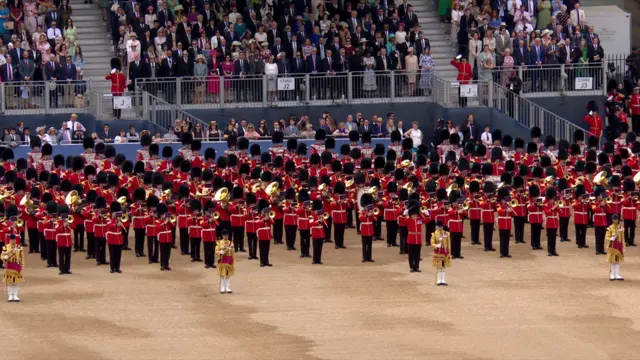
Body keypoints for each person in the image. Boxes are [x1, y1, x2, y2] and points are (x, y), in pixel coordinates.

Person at [2, 231, 24, 302]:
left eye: (14, 239)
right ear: (9, 240)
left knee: (16, 282)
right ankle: (10, 295)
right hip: (9, 265)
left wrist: (22, 265)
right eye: (11, 239)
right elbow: (2, 256)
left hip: (16, 265)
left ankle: (15, 295)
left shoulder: (19, 247)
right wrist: (4, 257)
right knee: (9, 281)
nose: (13, 241)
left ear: (15, 239)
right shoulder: (5, 247)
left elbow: (22, 257)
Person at [432, 220, 451, 286]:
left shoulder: (446, 233)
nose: (440, 228)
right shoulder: (434, 234)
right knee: (439, 266)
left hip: (444, 252)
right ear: (436, 227)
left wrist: (448, 252)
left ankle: (443, 279)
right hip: (438, 252)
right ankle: (438, 280)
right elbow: (432, 243)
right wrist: (436, 245)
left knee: (443, 266)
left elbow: (448, 243)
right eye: (439, 226)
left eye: (441, 226)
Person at [606, 215, 625, 281]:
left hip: (618, 246)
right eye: (614, 219)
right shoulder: (610, 228)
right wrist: (611, 238)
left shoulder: (621, 228)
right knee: (612, 261)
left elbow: (623, 238)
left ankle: (617, 274)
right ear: (612, 220)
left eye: (616, 219)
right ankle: (612, 274)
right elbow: (607, 237)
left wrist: (623, 246)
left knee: (617, 261)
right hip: (612, 246)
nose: (615, 221)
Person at [216, 229, 235, 293]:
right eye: (224, 235)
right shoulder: (219, 242)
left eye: (226, 235)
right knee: (222, 274)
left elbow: (232, 252)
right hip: (222, 259)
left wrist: (231, 249)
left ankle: (228, 287)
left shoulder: (230, 243)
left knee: (228, 274)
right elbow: (217, 251)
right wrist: (220, 252)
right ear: (222, 235)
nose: (226, 236)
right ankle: (222, 287)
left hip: (228, 259)